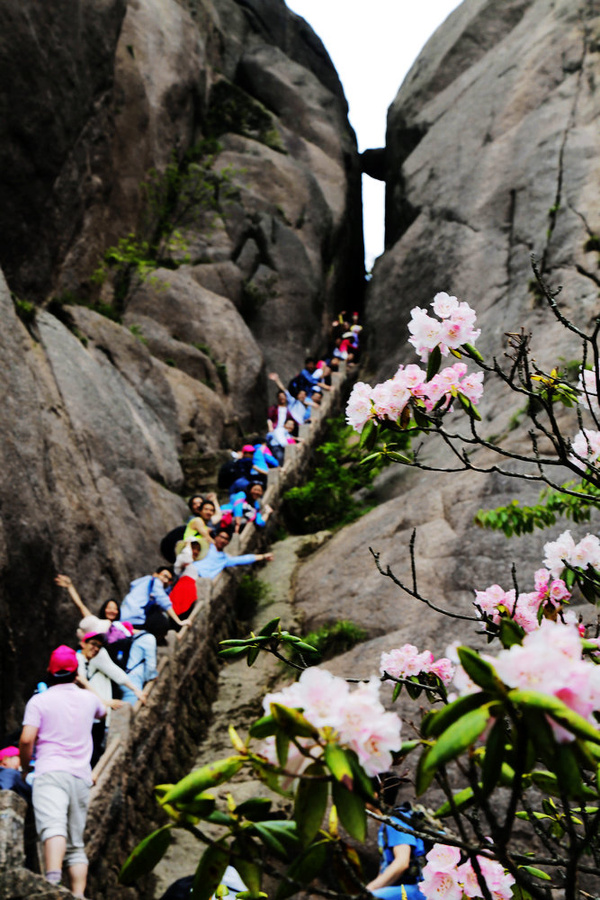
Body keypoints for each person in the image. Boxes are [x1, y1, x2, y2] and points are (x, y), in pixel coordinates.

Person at [19, 645, 106, 897]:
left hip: (50, 771)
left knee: (53, 827)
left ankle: (52, 886)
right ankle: (78, 895)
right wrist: (84, 683)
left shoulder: (39, 701)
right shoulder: (88, 699)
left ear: (49, 670)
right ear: (76, 672)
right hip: (80, 776)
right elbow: (103, 710)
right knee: (76, 843)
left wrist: (26, 769)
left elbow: (26, 740)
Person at [77, 632, 146, 762]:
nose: (96, 648)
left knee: (95, 746)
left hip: (94, 715)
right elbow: (82, 681)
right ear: (83, 644)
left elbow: (115, 672)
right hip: (83, 715)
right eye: (93, 644)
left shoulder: (92, 661)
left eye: (99, 646)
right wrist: (103, 702)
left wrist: (136, 691)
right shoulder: (77, 660)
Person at [366, 774, 426, 900]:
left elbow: (401, 862)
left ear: (375, 795)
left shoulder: (395, 822)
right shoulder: (386, 825)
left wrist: (368, 891)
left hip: (418, 889)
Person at [120, 567, 192, 642]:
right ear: (155, 574)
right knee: (162, 622)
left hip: (124, 618)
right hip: (136, 619)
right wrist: (179, 622)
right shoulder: (155, 581)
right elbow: (164, 601)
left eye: (169, 580)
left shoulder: (142, 583)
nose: (166, 580)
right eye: (165, 576)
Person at [190, 530, 273, 581]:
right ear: (216, 537)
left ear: (228, 543)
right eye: (221, 537)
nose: (223, 540)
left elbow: (243, 559)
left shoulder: (224, 558)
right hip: (190, 574)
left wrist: (263, 556)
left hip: (202, 581)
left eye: (226, 539)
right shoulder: (205, 546)